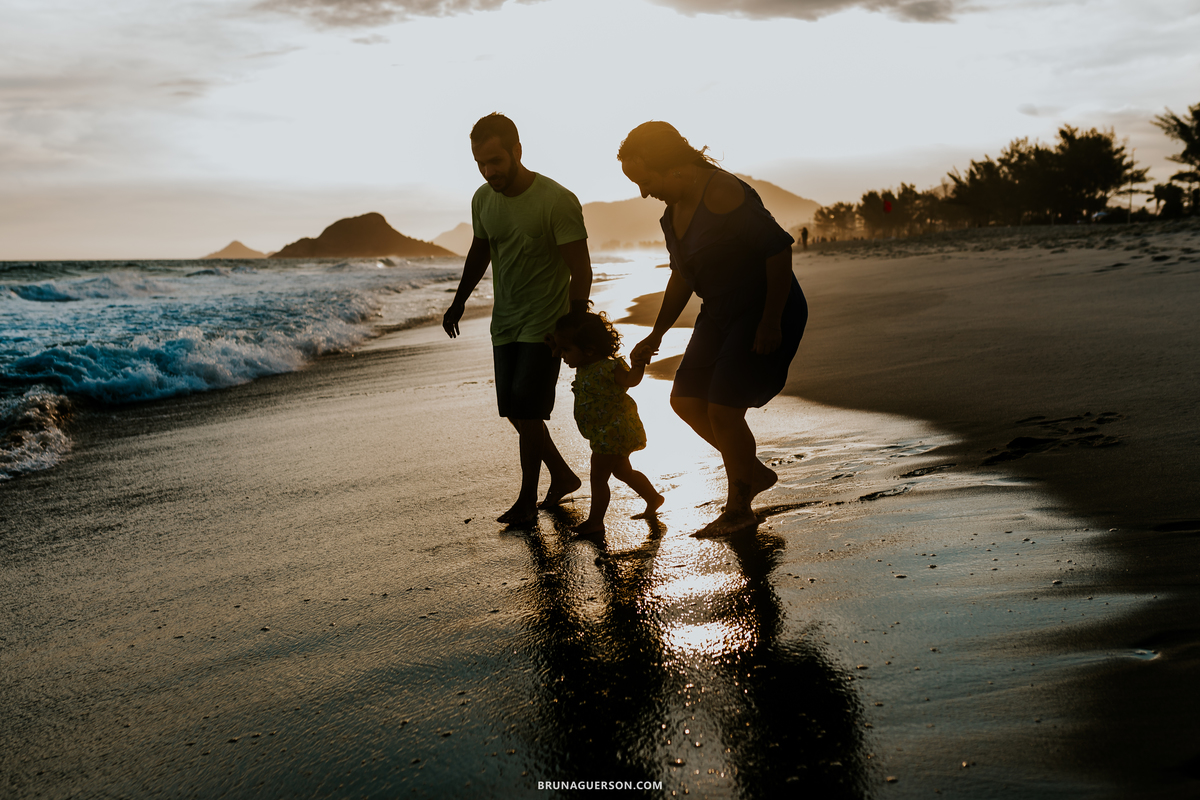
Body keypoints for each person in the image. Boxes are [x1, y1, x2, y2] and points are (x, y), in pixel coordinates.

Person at [619, 121, 808, 537]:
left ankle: (739, 508)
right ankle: (752, 472)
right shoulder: (671, 217)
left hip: (762, 307)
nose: (644, 192)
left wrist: (771, 320)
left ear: (671, 165)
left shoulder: (722, 192)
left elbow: (777, 249)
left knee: (723, 409)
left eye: (646, 180)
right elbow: (683, 277)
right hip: (719, 312)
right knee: (686, 400)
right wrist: (656, 334)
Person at [443, 113, 593, 526]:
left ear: (517, 151)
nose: (489, 171)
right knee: (516, 409)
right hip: (505, 321)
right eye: (480, 163)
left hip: (546, 322)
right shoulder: (482, 199)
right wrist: (458, 302)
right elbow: (480, 251)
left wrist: (573, 323)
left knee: (528, 407)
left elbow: (581, 268)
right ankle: (562, 475)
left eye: (495, 161)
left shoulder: (556, 200)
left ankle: (527, 501)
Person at [551, 310, 664, 536]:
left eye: (566, 350)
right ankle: (653, 497)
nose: (561, 355)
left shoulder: (607, 367)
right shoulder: (584, 366)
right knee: (623, 472)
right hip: (603, 432)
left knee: (598, 477)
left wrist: (639, 364)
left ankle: (595, 521)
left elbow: (631, 380)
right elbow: (563, 349)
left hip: (612, 432)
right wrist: (555, 343)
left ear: (589, 349)